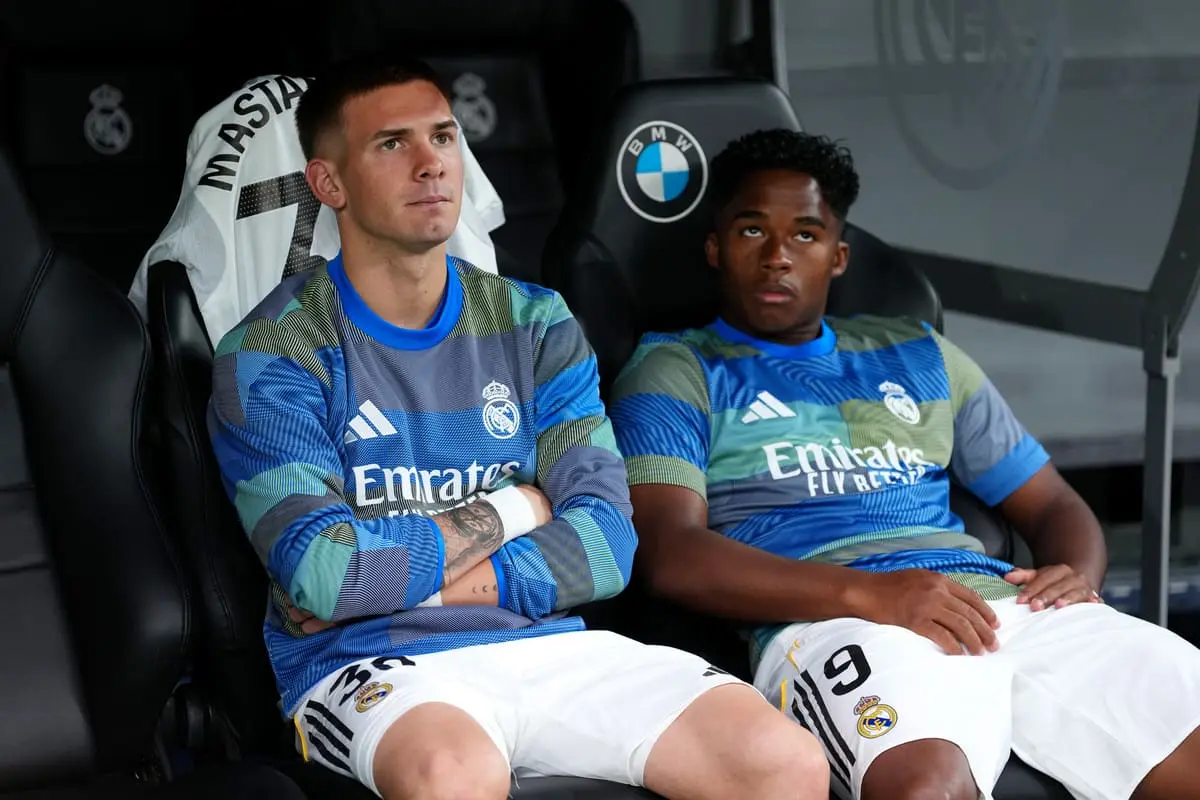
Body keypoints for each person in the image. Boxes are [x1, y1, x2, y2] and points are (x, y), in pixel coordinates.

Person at [206, 56, 828, 800]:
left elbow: (606, 543)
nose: (431, 163)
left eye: (442, 136)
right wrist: (519, 507)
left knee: (781, 760)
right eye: (391, 144)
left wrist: (426, 583)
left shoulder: (537, 323)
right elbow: (328, 577)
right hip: (368, 663)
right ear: (329, 184)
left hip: (542, 640)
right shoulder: (273, 350)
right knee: (454, 775)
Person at [607, 128, 1200, 800]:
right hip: (841, 620)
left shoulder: (919, 354)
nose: (777, 257)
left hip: (1002, 603)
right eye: (751, 232)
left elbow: (1053, 504)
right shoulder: (675, 368)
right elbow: (670, 555)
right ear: (715, 249)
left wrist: (1075, 580)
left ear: (838, 256)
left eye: (805, 234)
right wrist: (875, 595)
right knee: (922, 790)